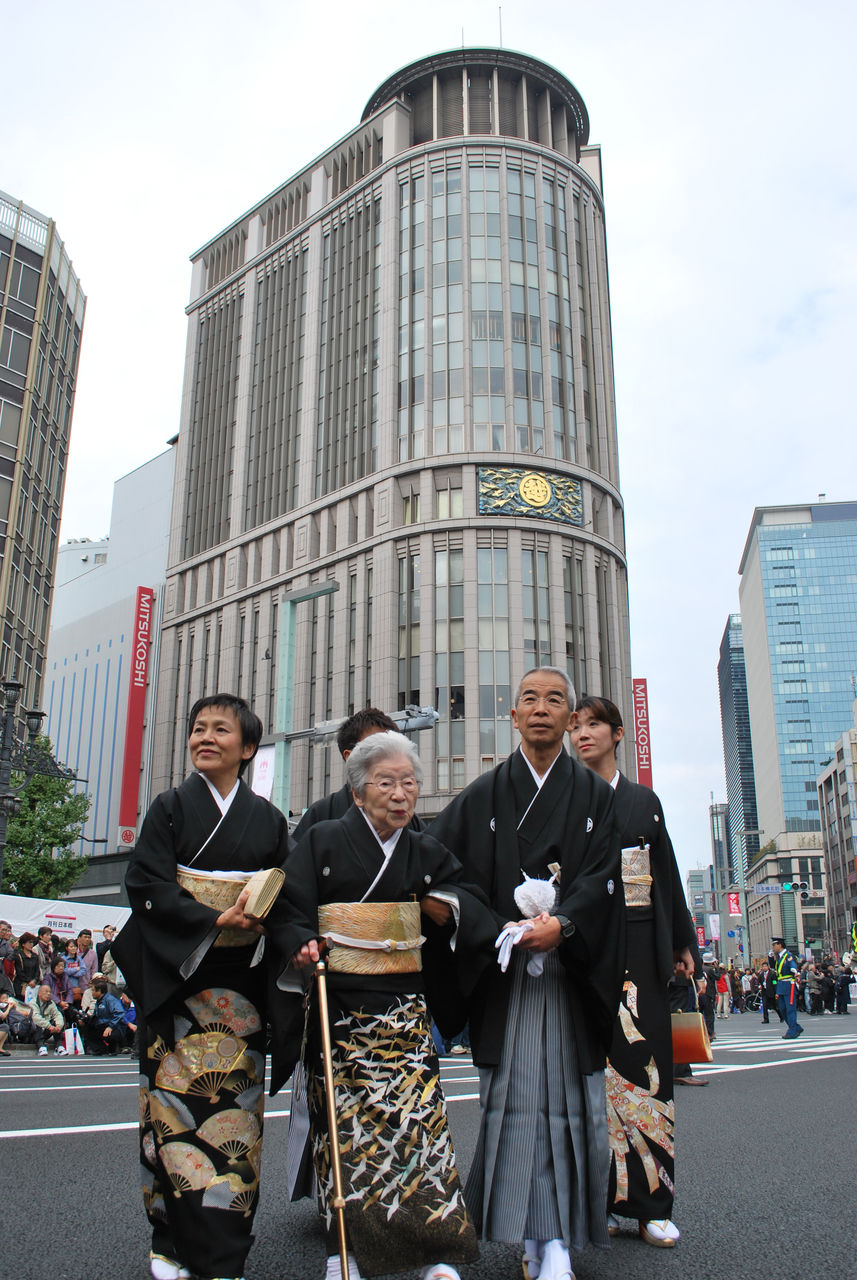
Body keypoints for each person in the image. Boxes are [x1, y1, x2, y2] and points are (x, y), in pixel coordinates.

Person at [430, 667, 625, 1280]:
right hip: (506, 977)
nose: (541, 709)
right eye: (529, 700)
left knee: (569, 1108)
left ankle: (557, 1239)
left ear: (571, 719)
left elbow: (604, 881)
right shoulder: (482, 796)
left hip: (567, 980)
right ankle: (534, 1239)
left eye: (555, 700)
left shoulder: (596, 798)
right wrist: (502, 930)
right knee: (513, 1106)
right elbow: (444, 873)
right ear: (512, 717)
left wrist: (562, 926)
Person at [278, 730, 495, 1280]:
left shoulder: (424, 850)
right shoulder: (324, 841)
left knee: (419, 1128)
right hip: (340, 1006)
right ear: (358, 793)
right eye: (387, 782)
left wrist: (442, 903)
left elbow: (469, 896)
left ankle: (432, 1249)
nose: (402, 794)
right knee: (345, 1132)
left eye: (409, 783)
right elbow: (289, 903)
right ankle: (345, 1250)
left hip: (404, 1008)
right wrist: (300, 940)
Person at [111, 693, 294, 1280]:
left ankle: (223, 1251)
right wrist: (213, 917)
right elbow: (145, 884)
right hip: (177, 984)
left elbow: (284, 895)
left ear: (247, 748)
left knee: (235, 1122)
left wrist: (273, 922)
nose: (204, 738)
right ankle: (168, 1239)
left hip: (238, 995)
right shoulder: (168, 808)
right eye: (197, 729)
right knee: (168, 1121)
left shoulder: (266, 819)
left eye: (220, 730)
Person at [570, 694, 698, 1248]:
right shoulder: (567, 800)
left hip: (641, 944)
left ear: (618, 733)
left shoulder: (644, 801)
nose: (583, 735)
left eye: (594, 724)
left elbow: (665, 872)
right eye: (577, 727)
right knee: (582, 1076)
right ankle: (591, 1202)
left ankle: (650, 1204)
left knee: (645, 1069)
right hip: (585, 946)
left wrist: (682, 940)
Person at [287, 707, 420, 1202]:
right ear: (353, 762)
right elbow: (292, 893)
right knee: (332, 1097)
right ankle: (334, 1200)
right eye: (378, 753)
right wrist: (301, 938)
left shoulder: (410, 822)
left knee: (403, 1100)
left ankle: (399, 1198)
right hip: (336, 984)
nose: (397, 783)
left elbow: (440, 884)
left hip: (397, 989)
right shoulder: (323, 822)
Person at [292, 707, 420, 839]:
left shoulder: (411, 823)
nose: (398, 796)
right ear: (350, 756)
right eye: (376, 748)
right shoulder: (321, 814)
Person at [80, 977, 127, 1054]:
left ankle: (114, 1047)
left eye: (93, 990)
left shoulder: (110, 1000)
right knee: (87, 1027)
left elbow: (120, 1013)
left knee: (110, 1034)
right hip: (101, 1025)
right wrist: (86, 1020)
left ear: (99, 991)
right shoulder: (98, 1001)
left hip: (115, 1027)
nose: (92, 993)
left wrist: (110, 1027)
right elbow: (96, 1016)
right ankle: (100, 1049)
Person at [771, 938, 804, 1039]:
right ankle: (795, 1027)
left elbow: (792, 964)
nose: (773, 947)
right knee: (782, 1008)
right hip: (781, 985)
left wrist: (794, 970)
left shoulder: (788, 956)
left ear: (780, 945)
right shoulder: (779, 957)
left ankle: (792, 1030)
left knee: (790, 1009)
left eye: (774, 945)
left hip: (789, 984)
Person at [31, 983, 66, 1054]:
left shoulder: (51, 1003)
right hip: (34, 1031)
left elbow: (57, 1014)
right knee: (36, 1023)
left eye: (50, 992)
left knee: (57, 1020)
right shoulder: (33, 1002)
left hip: (47, 1029)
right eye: (46, 991)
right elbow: (35, 1017)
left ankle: (59, 1046)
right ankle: (41, 1047)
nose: (48, 994)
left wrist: (58, 1026)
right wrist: (49, 1026)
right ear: (39, 993)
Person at [44, 957, 73, 1022]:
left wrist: (67, 1002)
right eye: (59, 966)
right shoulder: (47, 978)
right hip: (53, 1003)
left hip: (65, 1002)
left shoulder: (65, 976)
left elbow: (70, 990)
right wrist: (59, 1002)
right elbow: (47, 992)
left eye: (62, 966)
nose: (61, 968)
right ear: (54, 967)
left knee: (72, 1014)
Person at [13, 933, 40, 998]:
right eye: (29, 942)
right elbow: (19, 972)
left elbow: (37, 971)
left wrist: (34, 980)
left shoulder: (35, 956)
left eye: (32, 942)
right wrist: (29, 981)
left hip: (33, 986)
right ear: (23, 944)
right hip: (21, 986)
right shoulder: (19, 956)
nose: (31, 944)